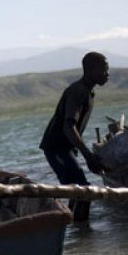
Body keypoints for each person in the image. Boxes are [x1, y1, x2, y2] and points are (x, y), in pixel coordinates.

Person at [39, 52, 109, 222]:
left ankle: (77, 234)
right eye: (104, 70)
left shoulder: (87, 91)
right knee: (82, 191)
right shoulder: (78, 91)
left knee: (78, 191)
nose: (108, 74)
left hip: (65, 148)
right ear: (91, 70)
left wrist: (77, 150)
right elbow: (68, 127)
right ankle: (78, 231)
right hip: (56, 147)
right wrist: (88, 156)